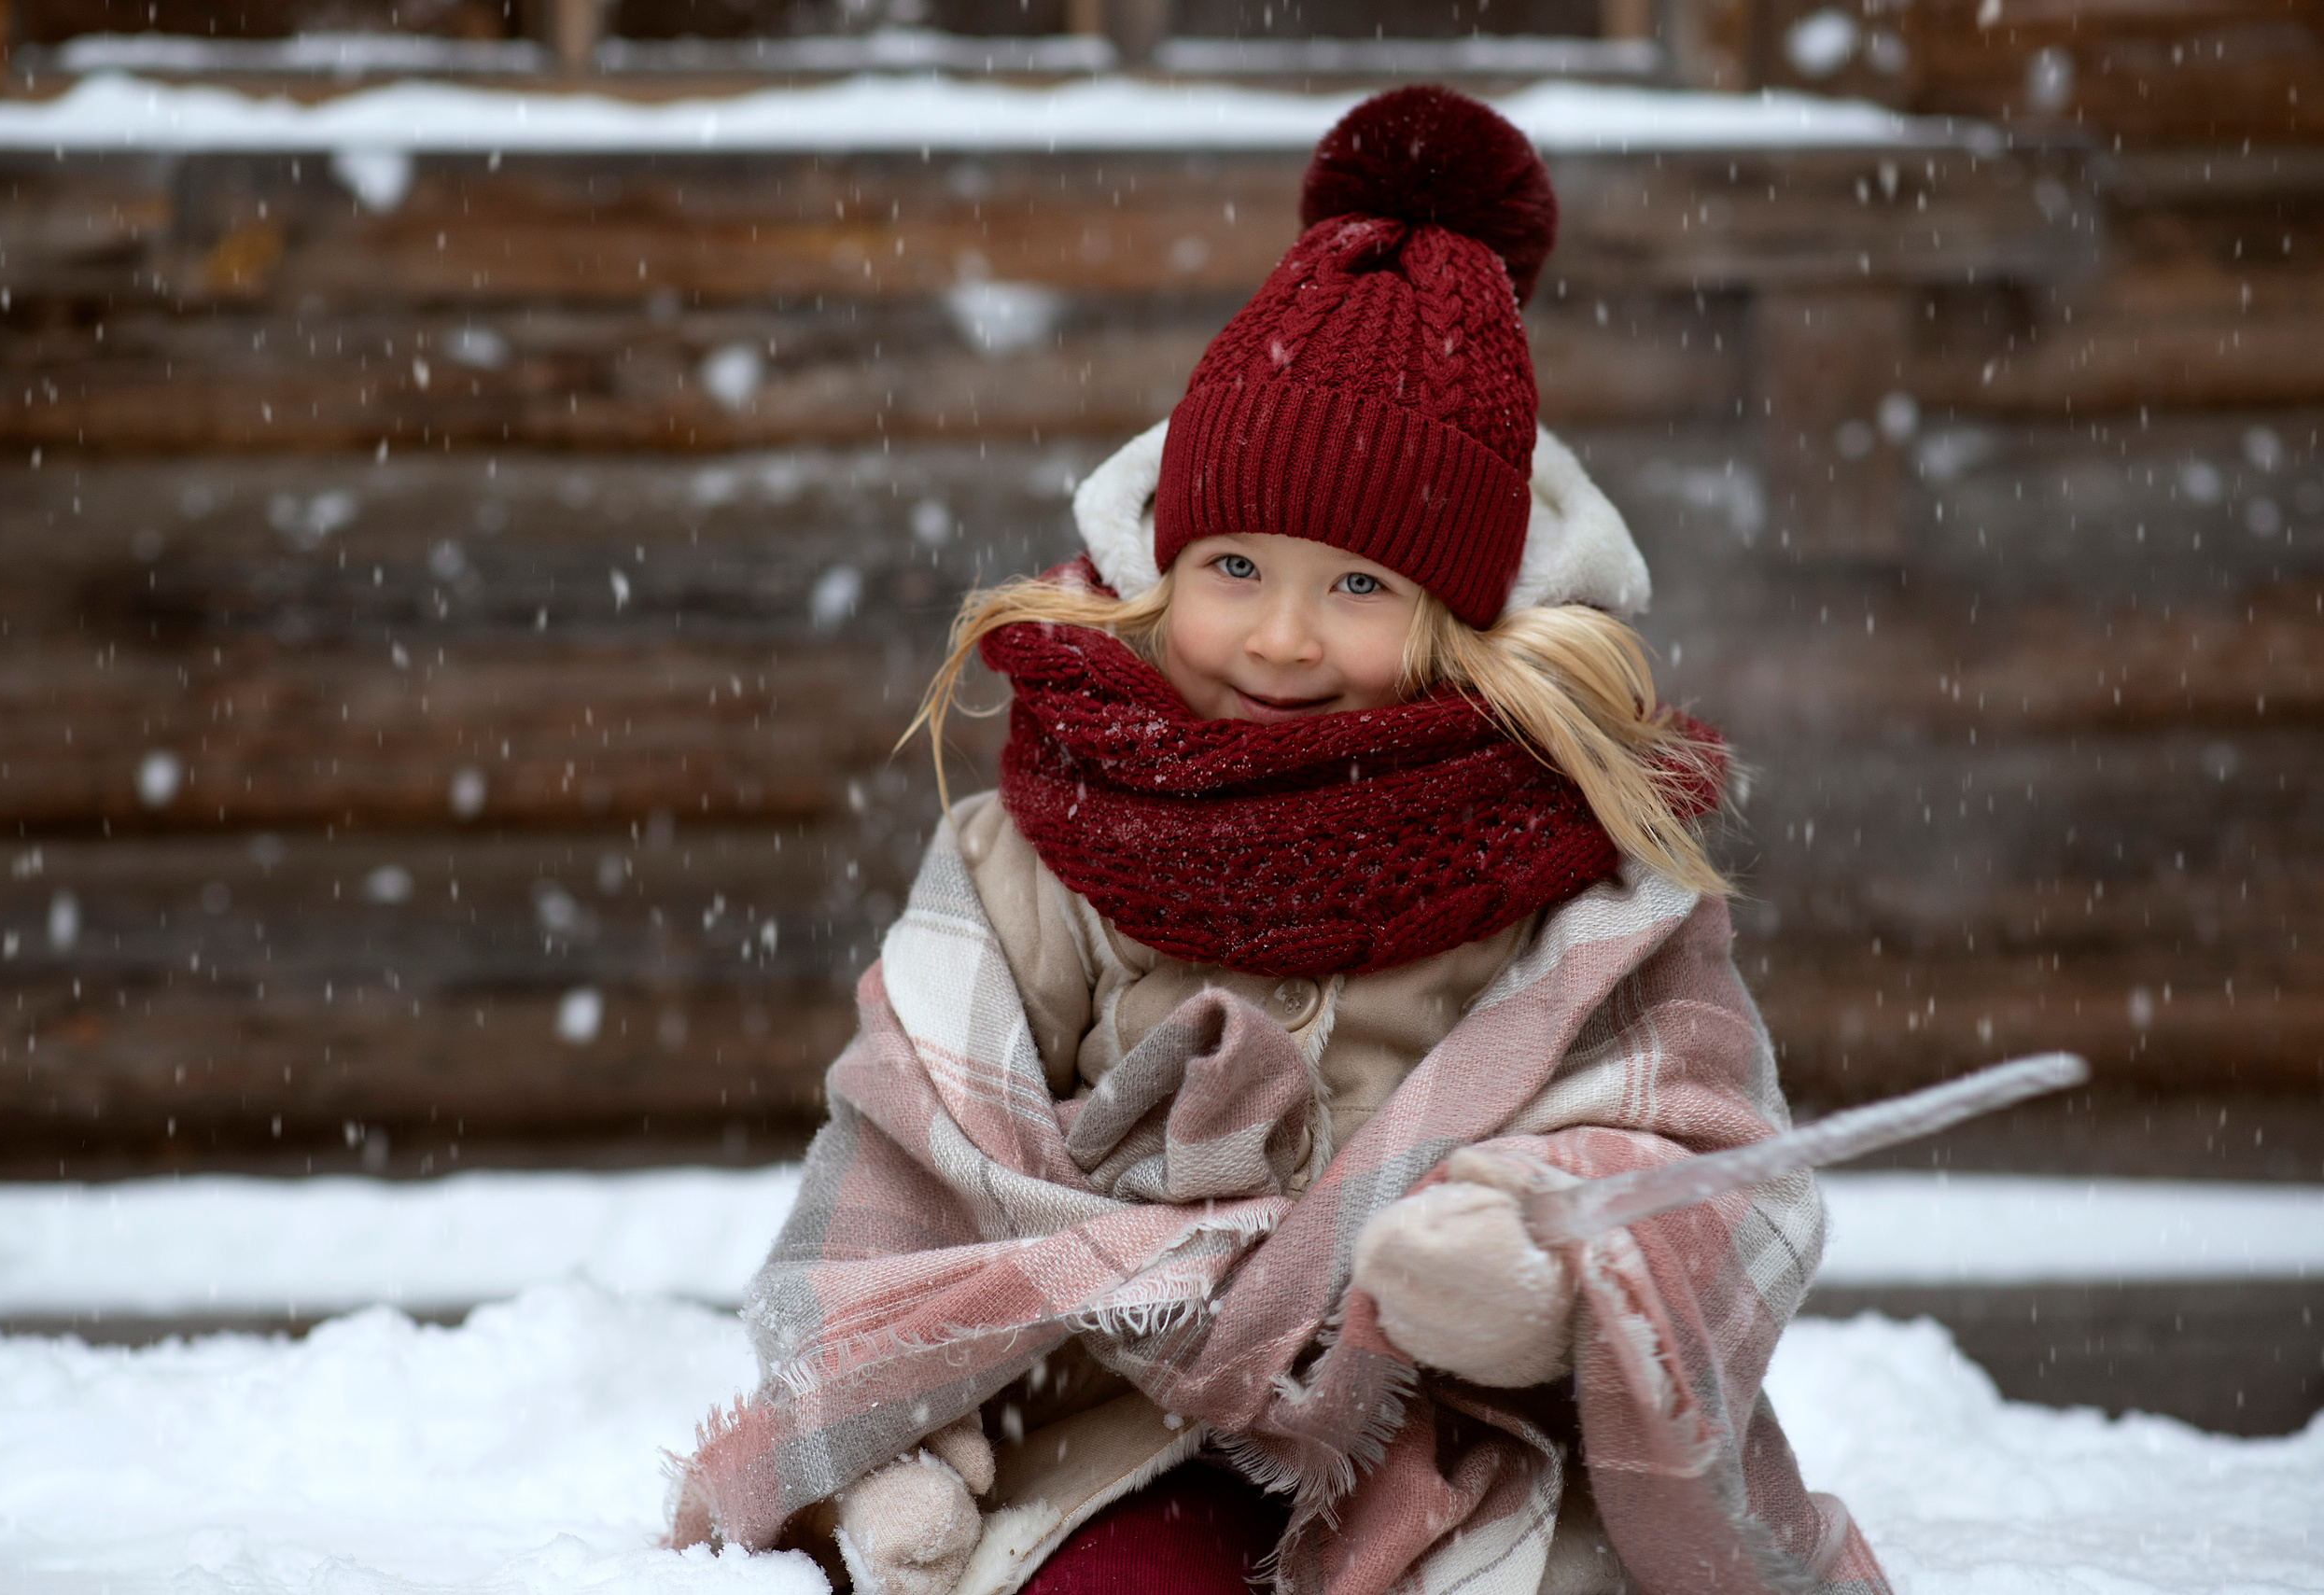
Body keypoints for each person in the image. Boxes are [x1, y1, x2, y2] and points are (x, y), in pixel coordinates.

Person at [669, 85, 1892, 1595]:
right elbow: (916, 1131)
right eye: (1235, 564)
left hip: (1450, 1427)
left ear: (1462, 618)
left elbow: (1703, 1151)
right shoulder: (1055, 836)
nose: (1285, 635)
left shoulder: (1577, 869)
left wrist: (1538, 1272)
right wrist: (899, 1408)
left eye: (1364, 587)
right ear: (1162, 561)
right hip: (1118, 1410)